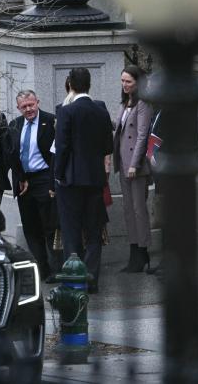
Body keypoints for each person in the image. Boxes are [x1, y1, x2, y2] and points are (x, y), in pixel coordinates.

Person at [54, 68, 113, 294]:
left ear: (70, 84)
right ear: (90, 84)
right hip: (95, 178)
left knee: (71, 231)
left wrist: (58, 175)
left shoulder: (67, 112)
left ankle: (74, 278)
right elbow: (108, 146)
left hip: (70, 180)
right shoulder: (101, 111)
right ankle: (92, 279)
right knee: (94, 231)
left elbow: (62, 147)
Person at [9, 90, 62, 283]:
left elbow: (57, 154)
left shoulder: (51, 121)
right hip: (25, 182)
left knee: (50, 227)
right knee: (31, 228)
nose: (29, 109)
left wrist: (52, 182)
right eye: (24, 107)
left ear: (37, 102)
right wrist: (20, 178)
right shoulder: (14, 125)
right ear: (18, 108)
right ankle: (42, 268)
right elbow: (12, 153)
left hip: (45, 178)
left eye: (31, 105)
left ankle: (57, 269)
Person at [113, 65, 153, 273]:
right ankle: (134, 252)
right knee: (129, 211)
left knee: (139, 210)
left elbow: (141, 136)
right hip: (123, 163)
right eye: (122, 81)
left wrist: (134, 164)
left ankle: (143, 251)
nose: (125, 85)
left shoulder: (143, 104)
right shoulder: (125, 103)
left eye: (128, 81)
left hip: (135, 167)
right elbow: (120, 128)